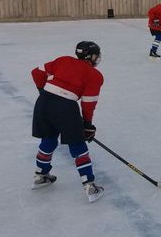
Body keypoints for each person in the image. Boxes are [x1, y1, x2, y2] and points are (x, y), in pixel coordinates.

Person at [30, 41, 105, 203]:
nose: (98, 58)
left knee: (48, 139)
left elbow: (36, 72)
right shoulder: (94, 75)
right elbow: (88, 103)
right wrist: (87, 125)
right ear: (90, 56)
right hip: (65, 107)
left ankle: (41, 175)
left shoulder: (63, 60)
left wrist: (43, 91)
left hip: (43, 103)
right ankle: (90, 186)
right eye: (96, 55)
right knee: (77, 145)